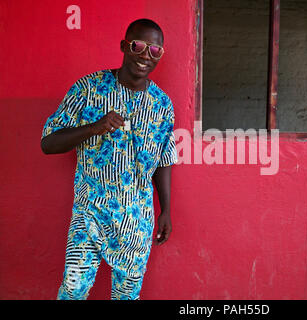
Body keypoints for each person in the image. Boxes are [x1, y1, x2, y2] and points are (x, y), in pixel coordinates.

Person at [40, 18, 177, 300]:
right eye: (138, 46)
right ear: (124, 46)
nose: (145, 56)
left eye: (155, 51)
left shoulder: (162, 105)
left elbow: (164, 159)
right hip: (88, 215)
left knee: (126, 297)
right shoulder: (88, 89)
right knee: (72, 293)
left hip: (136, 222)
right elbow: (48, 143)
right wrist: (94, 127)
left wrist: (166, 209)